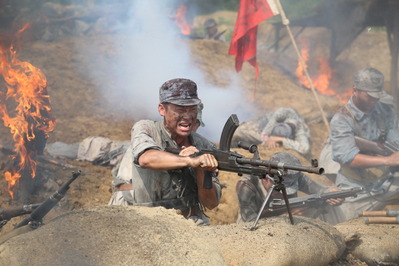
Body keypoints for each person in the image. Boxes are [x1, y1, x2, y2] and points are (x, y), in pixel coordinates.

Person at [108, 78, 222, 226]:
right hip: (138, 218)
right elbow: (146, 159)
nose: (188, 117)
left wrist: (200, 170)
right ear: (162, 109)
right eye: (180, 110)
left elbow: (211, 203)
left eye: (192, 109)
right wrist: (189, 160)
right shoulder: (146, 129)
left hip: (188, 222)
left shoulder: (204, 146)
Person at [329, 67, 399, 222]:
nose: (374, 100)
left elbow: (395, 142)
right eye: (370, 96)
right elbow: (350, 158)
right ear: (355, 90)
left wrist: (391, 153)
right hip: (354, 188)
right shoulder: (342, 118)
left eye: (377, 96)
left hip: (385, 181)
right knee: (343, 229)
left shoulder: (385, 111)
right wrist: (389, 160)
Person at [236, 152, 344, 225]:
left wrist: (332, 193)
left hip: (289, 222)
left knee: (326, 202)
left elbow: (320, 190)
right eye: (280, 189)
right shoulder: (247, 185)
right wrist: (285, 217)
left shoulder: (293, 176)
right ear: (266, 179)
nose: (284, 194)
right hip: (258, 227)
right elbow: (249, 222)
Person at [232, 107, 311, 156]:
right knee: (238, 132)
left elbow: (304, 148)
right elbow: (240, 131)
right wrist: (267, 138)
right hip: (264, 133)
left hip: (271, 137)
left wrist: (280, 140)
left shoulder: (299, 128)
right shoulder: (276, 116)